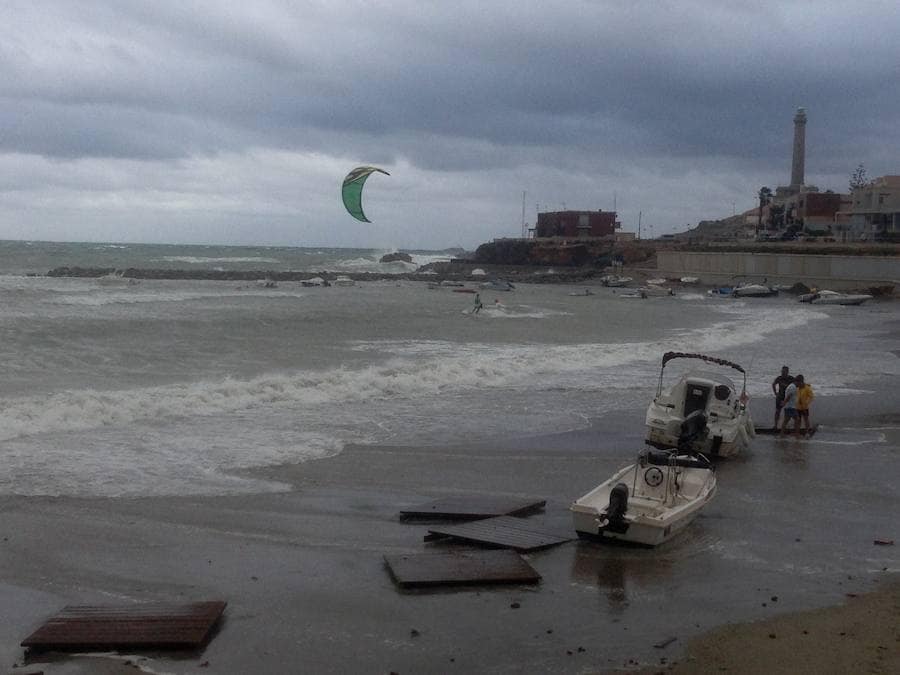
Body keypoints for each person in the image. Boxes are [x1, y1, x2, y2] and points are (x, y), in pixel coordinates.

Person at [772, 366, 794, 431]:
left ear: (787, 372)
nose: (782, 373)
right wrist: (775, 393)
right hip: (780, 397)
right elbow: (773, 384)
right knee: (777, 411)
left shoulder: (791, 378)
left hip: (788, 397)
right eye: (782, 372)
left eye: (784, 372)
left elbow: (796, 385)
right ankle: (775, 425)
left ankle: (786, 425)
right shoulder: (779, 378)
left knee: (788, 411)